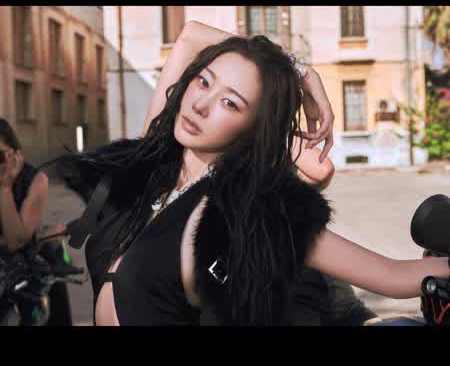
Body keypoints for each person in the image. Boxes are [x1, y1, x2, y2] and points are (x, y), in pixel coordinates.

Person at [45, 30, 449, 326]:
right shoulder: (152, 162)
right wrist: (302, 73)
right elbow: (190, 36)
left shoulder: (250, 208)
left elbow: (391, 276)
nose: (201, 104)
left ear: (254, 128)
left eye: (230, 103)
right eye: (203, 81)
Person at [0, 119, 71, 325]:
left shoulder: (35, 179)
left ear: (15, 154)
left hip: (23, 267)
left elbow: (16, 240)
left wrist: (5, 189)